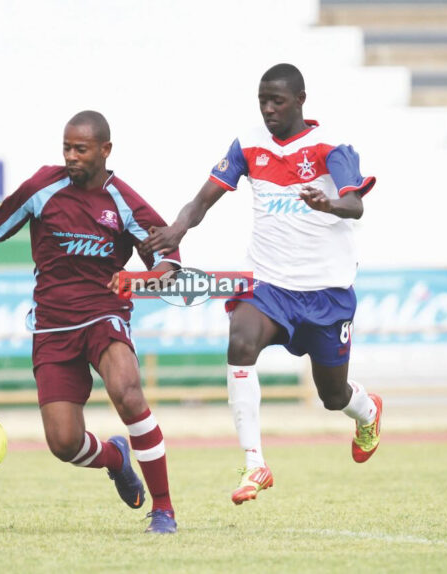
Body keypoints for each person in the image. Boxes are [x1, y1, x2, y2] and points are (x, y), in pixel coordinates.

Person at [0, 110, 180, 533]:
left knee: (128, 392)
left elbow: (169, 262)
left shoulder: (126, 202)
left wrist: (141, 278)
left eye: (80, 149)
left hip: (104, 315)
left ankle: (164, 510)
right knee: (64, 443)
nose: (71, 156)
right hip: (52, 326)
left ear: (105, 150)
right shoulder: (42, 187)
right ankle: (116, 458)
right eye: (66, 148)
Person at [139, 63, 382, 505]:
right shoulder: (248, 143)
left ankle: (366, 411)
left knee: (332, 395)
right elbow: (203, 199)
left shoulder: (331, 147)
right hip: (267, 283)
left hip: (325, 291)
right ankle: (255, 464)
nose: (269, 110)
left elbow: (355, 206)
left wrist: (328, 203)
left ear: (300, 101)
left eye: (277, 101)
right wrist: (177, 230)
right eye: (263, 101)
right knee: (241, 341)